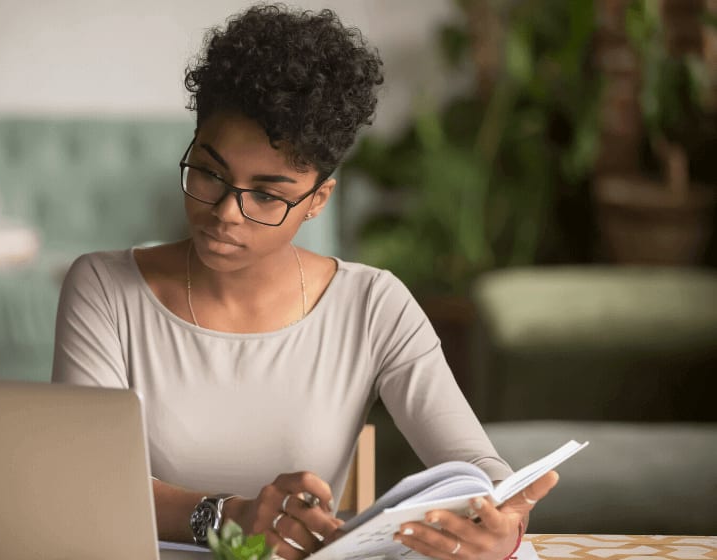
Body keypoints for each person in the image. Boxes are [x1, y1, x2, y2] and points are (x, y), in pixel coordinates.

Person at [52, 4, 558, 559]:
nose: (225, 212)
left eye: (266, 194)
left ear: (318, 199)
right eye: (208, 172)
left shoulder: (372, 304)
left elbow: (475, 465)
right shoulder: (103, 288)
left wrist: (501, 517)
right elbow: (84, 482)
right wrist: (230, 516)